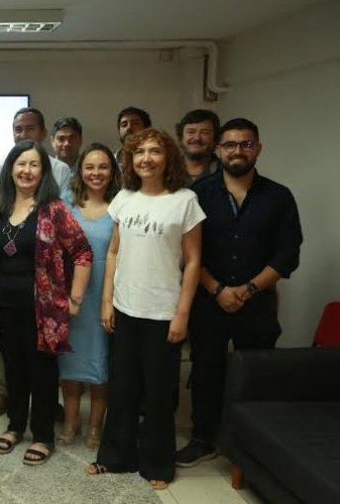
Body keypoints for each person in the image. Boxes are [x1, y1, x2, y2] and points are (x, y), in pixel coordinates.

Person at [176, 118, 302, 467]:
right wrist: (217, 289)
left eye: (246, 144)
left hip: (257, 302)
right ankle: (204, 438)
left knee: (256, 374)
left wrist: (246, 290)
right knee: (205, 372)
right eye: (230, 144)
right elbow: (186, 251)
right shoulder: (198, 195)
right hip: (208, 300)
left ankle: (251, 443)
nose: (238, 151)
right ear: (219, 150)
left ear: (257, 149)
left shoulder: (278, 196)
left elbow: (288, 253)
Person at [87, 128, 204, 490]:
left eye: (155, 151)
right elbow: (114, 251)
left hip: (162, 312)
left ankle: (157, 463)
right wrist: (107, 301)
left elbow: (194, 261)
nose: (146, 158)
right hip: (125, 308)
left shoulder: (184, 201)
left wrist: (182, 313)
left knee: (158, 393)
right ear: (131, 160)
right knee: (121, 388)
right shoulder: (124, 198)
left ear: (167, 157)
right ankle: (115, 457)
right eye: (139, 153)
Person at [0, 140, 93, 466]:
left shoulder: (54, 209)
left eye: (33, 165)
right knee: (14, 370)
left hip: (43, 311)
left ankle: (43, 435)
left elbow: (83, 252)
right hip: (5, 307)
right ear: (10, 170)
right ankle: (15, 426)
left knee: (42, 373)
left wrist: (75, 298)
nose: (26, 170)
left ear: (43, 172)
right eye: (20, 164)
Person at [0, 107, 75, 419]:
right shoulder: (0, 169)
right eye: (17, 129)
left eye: (29, 128)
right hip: (8, 287)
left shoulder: (60, 170)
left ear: (43, 133)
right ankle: (9, 400)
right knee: (12, 356)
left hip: (45, 284)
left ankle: (46, 412)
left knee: (43, 358)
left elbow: (67, 231)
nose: (23, 135)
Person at [56, 143, 122, 450]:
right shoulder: (65, 205)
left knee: (100, 363)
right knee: (69, 363)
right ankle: (71, 421)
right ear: (80, 171)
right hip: (71, 296)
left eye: (103, 167)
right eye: (90, 167)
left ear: (113, 171)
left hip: (106, 294)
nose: (96, 173)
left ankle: (96, 425)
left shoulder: (122, 206)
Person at [176, 109, 221, 186]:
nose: (197, 138)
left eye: (205, 132)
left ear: (215, 139)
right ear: (181, 138)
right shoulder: (166, 170)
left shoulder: (225, 171)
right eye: (191, 132)